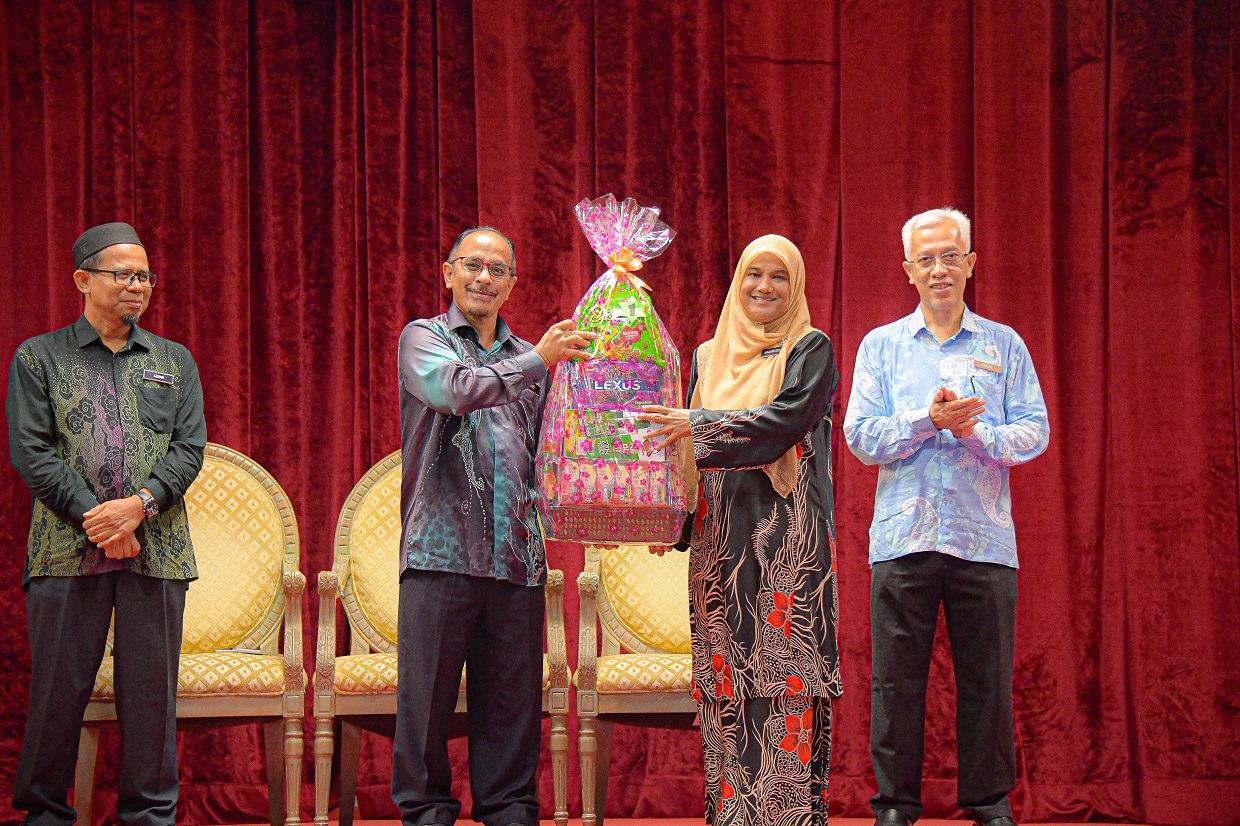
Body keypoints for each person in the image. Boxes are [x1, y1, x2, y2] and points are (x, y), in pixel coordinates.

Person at [843, 208, 1050, 826]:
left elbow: (1034, 431)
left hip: (983, 539)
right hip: (902, 537)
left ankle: (988, 800)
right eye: (927, 259)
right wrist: (926, 421)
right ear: (909, 270)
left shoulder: (1004, 345)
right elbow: (860, 436)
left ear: (971, 264)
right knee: (895, 681)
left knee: (987, 680)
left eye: (951, 256)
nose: (939, 269)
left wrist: (974, 432)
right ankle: (895, 804)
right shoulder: (880, 346)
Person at [393, 226, 595, 826]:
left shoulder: (532, 359)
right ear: (448, 272)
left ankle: (509, 812)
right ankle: (426, 815)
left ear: (512, 283)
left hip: (517, 558)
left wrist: (602, 504)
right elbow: (453, 391)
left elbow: (553, 454)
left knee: (512, 711)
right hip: (439, 554)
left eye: (497, 270)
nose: (483, 278)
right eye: (472, 265)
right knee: (425, 709)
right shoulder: (424, 339)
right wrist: (540, 361)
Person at [7, 222, 207, 826]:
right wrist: (100, 520)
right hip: (65, 551)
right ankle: (45, 814)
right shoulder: (38, 357)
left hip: (157, 548)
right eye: (122, 274)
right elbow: (32, 451)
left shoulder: (173, 360)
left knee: (151, 700)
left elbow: (189, 449)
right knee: (57, 694)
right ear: (82, 280)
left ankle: (149, 816)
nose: (136, 286)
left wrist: (138, 507)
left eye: (144, 276)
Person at [639, 234, 841, 826]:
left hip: (787, 545)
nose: (764, 287)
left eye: (779, 276)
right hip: (718, 546)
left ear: (795, 286)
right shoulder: (707, 356)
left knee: (784, 681)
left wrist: (698, 422)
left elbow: (782, 424)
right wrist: (671, 520)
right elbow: (682, 454)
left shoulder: (811, 348)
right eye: (755, 274)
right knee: (726, 690)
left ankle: (786, 817)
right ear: (738, 282)